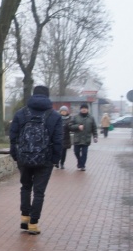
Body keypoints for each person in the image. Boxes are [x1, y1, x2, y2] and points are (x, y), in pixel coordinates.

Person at [8, 85, 63, 235]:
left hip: (24, 157)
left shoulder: (21, 113)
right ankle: (33, 224)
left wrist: (15, 154)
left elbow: (13, 136)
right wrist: (55, 159)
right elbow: (58, 140)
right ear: (47, 96)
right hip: (45, 159)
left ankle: (24, 218)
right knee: (39, 192)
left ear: (33, 95)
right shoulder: (54, 116)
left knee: (25, 187)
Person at [70, 102, 98, 171]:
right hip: (77, 139)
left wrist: (95, 136)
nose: (84, 110)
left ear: (87, 109)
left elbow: (94, 128)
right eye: (82, 108)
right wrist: (77, 126)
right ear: (80, 109)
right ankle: (79, 162)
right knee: (76, 152)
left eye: (85, 108)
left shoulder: (91, 118)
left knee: (84, 153)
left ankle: (82, 166)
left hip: (86, 139)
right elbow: (70, 126)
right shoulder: (76, 117)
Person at [56, 105, 72, 169]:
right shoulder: (57, 118)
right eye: (62, 111)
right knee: (58, 151)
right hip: (58, 137)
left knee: (64, 152)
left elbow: (71, 127)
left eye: (65, 111)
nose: (63, 112)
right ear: (60, 111)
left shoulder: (69, 119)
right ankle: (57, 162)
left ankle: (62, 163)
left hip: (66, 138)